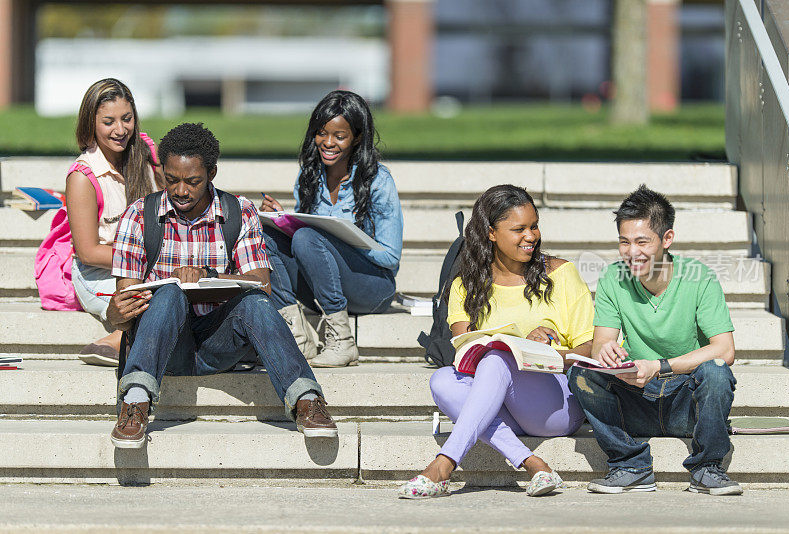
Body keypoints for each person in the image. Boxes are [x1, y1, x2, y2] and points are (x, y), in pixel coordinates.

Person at [106, 122, 337, 449]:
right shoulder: (139, 216)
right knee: (169, 292)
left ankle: (307, 400)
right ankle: (135, 402)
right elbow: (127, 308)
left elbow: (262, 283)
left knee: (255, 302)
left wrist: (208, 276)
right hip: (165, 347)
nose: (181, 190)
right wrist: (114, 314)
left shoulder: (238, 212)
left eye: (192, 181)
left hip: (221, 345)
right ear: (162, 172)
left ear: (212, 173)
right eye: (172, 180)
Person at [399, 185, 594, 499]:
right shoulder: (465, 285)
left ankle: (443, 464)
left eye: (534, 225)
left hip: (554, 405)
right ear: (490, 233)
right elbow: (464, 350)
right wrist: (510, 345)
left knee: (497, 357)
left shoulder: (560, 274)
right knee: (443, 380)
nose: (531, 235)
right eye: (518, 229)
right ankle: (532, 463)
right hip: (497, 405)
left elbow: (589, 349)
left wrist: (543, 351)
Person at [567, 185, 741, 496]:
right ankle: (629, 464)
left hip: (687, 402)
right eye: (624, 241)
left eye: (642, 241)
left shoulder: (699, 278)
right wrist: (608, 353)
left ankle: (707, 468)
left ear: (667, 239)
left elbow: (725, 350)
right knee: (582, 373)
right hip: (637, 397)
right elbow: (600, 346)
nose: (631, 252)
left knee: (716, 369)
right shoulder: (612, 278)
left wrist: (658, 366)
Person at [260, 90, 403, 367]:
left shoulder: (378, 180)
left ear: (357, 138)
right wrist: (281, 219)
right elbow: (306, 241)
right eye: (321, 133)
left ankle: (342, 342)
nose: (328, 143)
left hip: (372, 287)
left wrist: (342, 241)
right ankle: (298, 338)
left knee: (308, 237)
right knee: (267, 237)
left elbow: (390, 257)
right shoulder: (309, 174)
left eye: (339, 136)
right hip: (320, 285)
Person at [66, 78, 162, 366]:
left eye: (127, 119)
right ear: (91, 124)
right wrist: (146, 258)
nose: (120, 130)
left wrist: (158, 164)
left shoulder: (143, 159)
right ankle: (117, 340)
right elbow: (88, 252)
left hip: (145, 267)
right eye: (109, 122)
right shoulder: (83, 176)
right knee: (156, 298)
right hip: (98, 274)